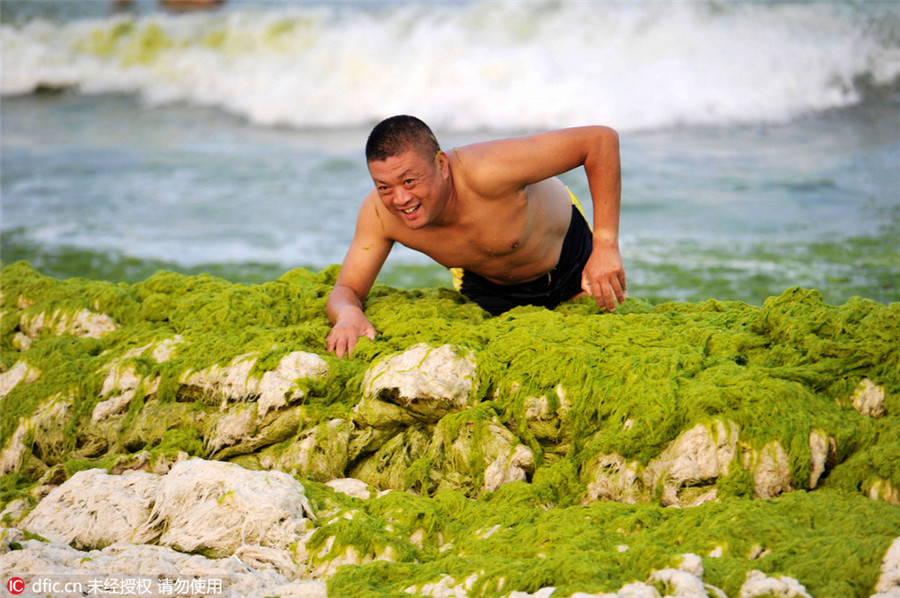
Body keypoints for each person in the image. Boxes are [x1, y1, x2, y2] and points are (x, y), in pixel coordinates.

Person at [326, 115, 626, 358]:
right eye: (384, 187)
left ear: (441, 165)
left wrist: (605, 245)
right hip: (488, 291)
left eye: (409, 180)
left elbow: (599, 141)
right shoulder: (380, 215)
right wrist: (348, 314)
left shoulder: (489, 168)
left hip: (569, 263)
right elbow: (347, 288)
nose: (400, 198)